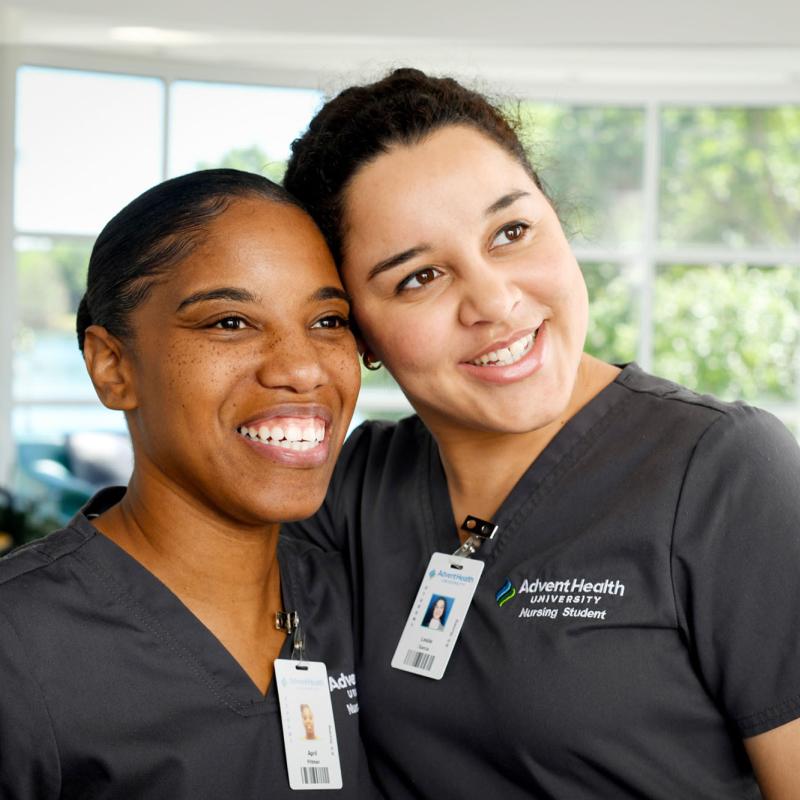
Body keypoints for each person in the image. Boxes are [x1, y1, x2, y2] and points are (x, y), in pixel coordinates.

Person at [283, 68, 800, 798]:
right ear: (357, 331)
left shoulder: (725, 472)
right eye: (419, 277)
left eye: (511, 232)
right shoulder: (348, 490)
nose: (493, 301)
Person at [0, 169, 377, 798]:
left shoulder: (354, 601)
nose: (303, 368)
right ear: (113, 367)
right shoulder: (17, 645)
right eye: (231, 322)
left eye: (328, 321)